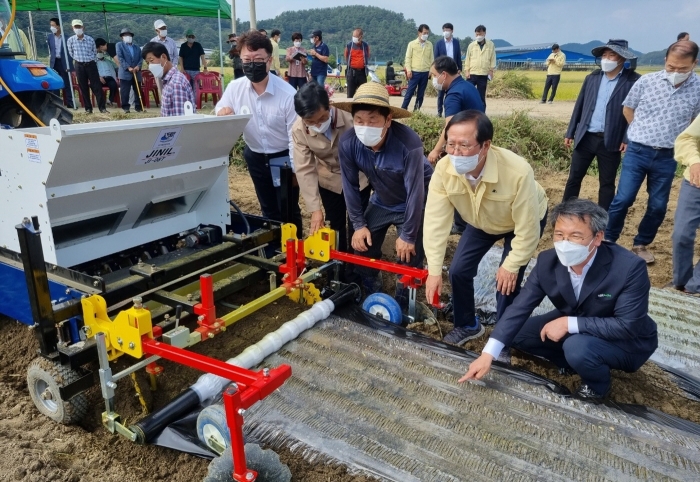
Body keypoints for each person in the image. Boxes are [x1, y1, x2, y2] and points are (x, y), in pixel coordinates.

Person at [461, 198, 658, 401]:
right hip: (580, 319)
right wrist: (488, 354)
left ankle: (597, 385)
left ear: (598, 238)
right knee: (517, 333)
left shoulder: (628, 268)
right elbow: (520, 307)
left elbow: (627, 326)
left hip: (626, 341)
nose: (565, 244)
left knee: (577, 348)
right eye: (560, 235)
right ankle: (572, 362)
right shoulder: (548, 262)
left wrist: (568, 323)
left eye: (575, 236)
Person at [424, 110, 548, 345]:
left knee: (506, 281)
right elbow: (435, 221)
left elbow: (528, 228)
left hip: (520, 221)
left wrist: (511, 265)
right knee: (458, 270)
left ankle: (503, 339)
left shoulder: (517, 172)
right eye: (451, 144)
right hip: (481, 220)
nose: (456, 153)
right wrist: (433, 270)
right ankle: (468, 325)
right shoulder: (443, 170)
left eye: (464, 145)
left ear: (485, 145)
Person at [335, 82, 434, 301]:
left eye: (373, 120)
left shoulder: (409, 144)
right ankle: (373, 291)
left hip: (413, 201)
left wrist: (408, 235)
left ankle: (404, 301)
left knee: (409, 255)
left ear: (388, 120)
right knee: (361, 246)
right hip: (381, 199)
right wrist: (359, 225)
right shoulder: (349, 142)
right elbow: (350, 186)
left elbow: (415, 193)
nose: (365, 126)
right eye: (359, 121)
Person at [605, 40, 700, 264]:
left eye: (683, 69)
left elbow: (695, 122)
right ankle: (608, 240)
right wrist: (639, 131)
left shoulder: (698, 88)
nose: (676, 72)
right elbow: (628, 108)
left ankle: (641, 243)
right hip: (638, 151)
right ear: (665, 60)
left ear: (694, 64)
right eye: (671, 67)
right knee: (623, 198)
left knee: (658, 205)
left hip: (668, 156)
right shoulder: (647, 81)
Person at [215, 31, 302, 235]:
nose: (251, 64)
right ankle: (274, 248)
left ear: (269, 61)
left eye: (258, 60)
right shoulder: (236, 88)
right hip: (255, 155)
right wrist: (222, 113)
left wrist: (295, 169)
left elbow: (295, 137)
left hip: (283, 158)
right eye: (247, 59)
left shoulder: (287, 94)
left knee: (288, 208)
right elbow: (220, 109)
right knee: (267, 207)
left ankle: (295, 248)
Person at [292, 82, 370, 254]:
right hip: (329, 178)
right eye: (310, 122)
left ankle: (360, 268)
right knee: (336, 224)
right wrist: (315, 209)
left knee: (360, 223)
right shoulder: (299, 130)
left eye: (322, 119)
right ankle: (338, 266)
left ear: (330, 106)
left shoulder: (351, 116)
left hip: (359, 177)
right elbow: (304, 169)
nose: (318, 125)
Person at [563, 39, 641, 211]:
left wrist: (627, 137)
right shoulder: (592, 78)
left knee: (607, 182)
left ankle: (604, 218)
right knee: (574, 178)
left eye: (611, 55)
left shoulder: (633, 81)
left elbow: (636, 113)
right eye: (604, 55)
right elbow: (580, 106)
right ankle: (566, 211)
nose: (606, 59)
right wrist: (570, 132)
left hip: (611, 140)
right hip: (586, 137)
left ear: (621, 58)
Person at [671, 116, 700, 294]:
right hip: (695, 182)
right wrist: (695, 161)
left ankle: (694, 287)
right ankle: (681, 282)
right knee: (681, 235)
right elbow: (686, 138)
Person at [142, 42, 195, 117]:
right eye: (148, 63)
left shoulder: (176, 84)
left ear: (163, 57)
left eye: (151, 60)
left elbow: (180, 122)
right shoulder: (168, 81)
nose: (150, 66)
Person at [66, 19, 106, 113]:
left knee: (96, 86)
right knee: (83, 87)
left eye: (79, 27)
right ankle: (88, 108)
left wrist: (91, 59)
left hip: (91, 64)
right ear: (73, 28)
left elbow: (94, 52)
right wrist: (79, 60)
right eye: (76, 27)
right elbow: (71, 53)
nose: (78, 29)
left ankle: (102, 108)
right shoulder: (70, 40)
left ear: (83, 27)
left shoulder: (90, 39)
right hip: (79, 65)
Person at [401, 24, 434, 112]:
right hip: (414, 72)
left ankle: (416, 111)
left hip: (425, 72)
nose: (426, 35)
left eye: (427, 33)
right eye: (424, 33)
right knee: (410, 92)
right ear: (419, 33)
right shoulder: (412, 44)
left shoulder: (429, 44)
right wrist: (408, 70)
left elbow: (432, 59)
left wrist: (431, 71)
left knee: (421, 94)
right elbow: (408, 58)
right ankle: (403, 109)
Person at [434, 23, 462, 117]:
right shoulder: (439, 43)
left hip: (453, 71)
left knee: (452, 92)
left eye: (448, 30)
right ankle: (439, 112)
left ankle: (450, 113)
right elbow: (436, 58)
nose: (446, 32)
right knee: (441, 93)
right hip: (443, 71)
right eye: (444, 30)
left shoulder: (456, 42)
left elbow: (458, 56)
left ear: (452, 31)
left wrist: (459, 68)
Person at [465, 25, 496, 109]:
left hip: (483, 74)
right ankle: (468, 112)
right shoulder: (471, 45)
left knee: (481, 96)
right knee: (468, 93)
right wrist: (467, 71)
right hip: (472, 74)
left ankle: (481, 114)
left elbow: (493, 58)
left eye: (480, 34)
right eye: (477, 35)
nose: (478, 36)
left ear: (485, 33)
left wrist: (491, 70)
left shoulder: (490, 45)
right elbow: (467, 58)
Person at [47, 17, 74, 108]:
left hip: (64, 62)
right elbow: (51, 50)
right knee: (55, 83)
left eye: (53, 25)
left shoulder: (67, 38)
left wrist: (69, 64)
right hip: (54, 62)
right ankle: (57, 103)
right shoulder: (50, 37)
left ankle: (70, 102)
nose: (51, 27)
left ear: (58, 26)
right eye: (51, 25)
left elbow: (70, 52)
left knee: (67, 83)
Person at [116, 28, 143, 113]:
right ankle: (126, 107)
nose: (127, 36)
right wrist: (128, 67)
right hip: (125, 72)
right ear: (122, 37)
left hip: (136, 71)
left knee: (137, 89)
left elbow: (141, 58)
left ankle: (138, 106)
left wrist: (138, 66)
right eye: (125, 35)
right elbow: (120, 58)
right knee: (125, 91)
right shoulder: (119, 45)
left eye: (129, 35)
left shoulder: (137, 47)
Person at [151, 19, 178, 94]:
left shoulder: (171, 41)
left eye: (164, 28)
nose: (164, 30)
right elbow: (151, 58)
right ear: (157, 30)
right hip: (159, 70)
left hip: (171, 69)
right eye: (161, 29)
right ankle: (163, 104)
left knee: (172, 89)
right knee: (161, 91)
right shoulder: (153, 42)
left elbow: (176, 56)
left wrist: (173, 66)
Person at [344, 28, 370, 99]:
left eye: (356, 37)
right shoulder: (349, 45)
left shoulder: (365, 46)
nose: (354, 38)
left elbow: (367, 56)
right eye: (353, 37)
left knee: (364, 95)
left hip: (362, 73)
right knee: (350, 95)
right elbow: (346, 56)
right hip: (352, 73)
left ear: (361, 37)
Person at [95, 38, 119, 107]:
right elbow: (93, 72)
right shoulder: (95, 62)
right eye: (99, 52)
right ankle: (101, 101)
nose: (100, 53)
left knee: (113, 85)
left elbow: (116, 66)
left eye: (101, 52)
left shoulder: (108, 61)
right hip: (99, 78)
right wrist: (99, 77)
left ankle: (110, 100)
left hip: (109, 77)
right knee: (96, 86)